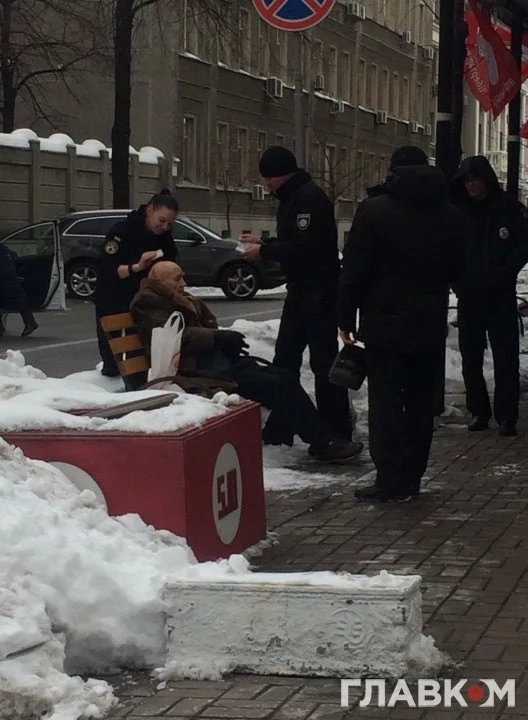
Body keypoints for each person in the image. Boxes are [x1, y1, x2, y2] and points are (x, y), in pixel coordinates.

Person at [130, 261, 363, 463]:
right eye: (177, 278)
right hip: (193, 371)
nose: (183, 283)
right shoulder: (148, 302)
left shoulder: (177, 297)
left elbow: (201, 328)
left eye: (182, 276)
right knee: (277, 385)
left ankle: (279, 436)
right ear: (158, 281)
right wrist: (216, 337)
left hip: (212, 362)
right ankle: (322, 443)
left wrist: (221, 341)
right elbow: (169, 334)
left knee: (283, 375)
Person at [337, 147, 466, 503]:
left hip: (384, 324)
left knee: (387, 403)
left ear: (393, 172)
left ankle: (390, 479)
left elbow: (355, 268)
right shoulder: (451, 215)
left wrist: (345, 316)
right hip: (428, 324)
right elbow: (459, 269)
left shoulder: (374, 210)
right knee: (422, 405)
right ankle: (412, 477)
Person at [239, 146, 352, 446]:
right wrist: (265, 243)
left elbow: (305, 248)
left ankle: (334, 430)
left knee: (322, 363)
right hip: (302, 291)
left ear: (279, 175)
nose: (265, 185)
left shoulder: (307, 200)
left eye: (267, 178)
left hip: (317, 293)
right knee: (285, 360)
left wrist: (264, 250)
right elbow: (295, 241)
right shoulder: (294, 198)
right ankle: (283, 425)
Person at [451, 156, 528, 437]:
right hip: (469, 295)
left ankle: (507, 415)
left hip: (499, 294)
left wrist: (506, 270)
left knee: (505, 357)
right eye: (467, 181)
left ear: (486, 180)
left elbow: (524, 243)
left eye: (475, 179)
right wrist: (457, 280)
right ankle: (478, 411)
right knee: (471, 357)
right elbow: (448, 249)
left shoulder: (508, 209)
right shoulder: (459, 212)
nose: (471, 185)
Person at [94, 189, 179, 376]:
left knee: (143, 350)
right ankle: (112, 376)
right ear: (150, 210)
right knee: (113, 352)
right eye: (161, 220)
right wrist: (137, 267)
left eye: (170, 224)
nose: (164, 227)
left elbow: (171, 260)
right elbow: (107, 269)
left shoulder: (164, 236)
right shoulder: (122, 231)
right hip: (113, 295)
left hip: (143, 296)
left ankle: (141, 377)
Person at [0, 243, 38, 337]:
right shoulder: (3, 247)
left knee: (18, 296)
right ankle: (30, 322)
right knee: (17, 296)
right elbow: (13, 254)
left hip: (4, 272)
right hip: (8, 271)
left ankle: (30, 322)